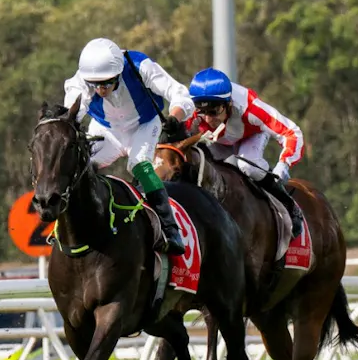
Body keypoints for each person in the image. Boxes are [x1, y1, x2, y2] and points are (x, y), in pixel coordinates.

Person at [64, 38, 195, 253]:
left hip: (143, 125)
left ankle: (170, 230)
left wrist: (174, 116)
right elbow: (73, 111)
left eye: (106, 83)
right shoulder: (82, 79)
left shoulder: (140, 66)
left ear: (119, 72)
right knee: (79, 166)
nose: (100, 89)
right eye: (95, 84)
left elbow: (179, 93)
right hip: (107, 129)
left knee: (139, 165)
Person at [186, 68, 306, 236]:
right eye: (202, 111)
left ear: (228, 104)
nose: (207, 119)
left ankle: (289, 205)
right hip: (216, 139)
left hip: (250, 136)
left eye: (213, 112)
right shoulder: (190, 108)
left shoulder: (251, 108)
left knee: (247, 166)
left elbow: (292, 132)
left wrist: (284, 163)